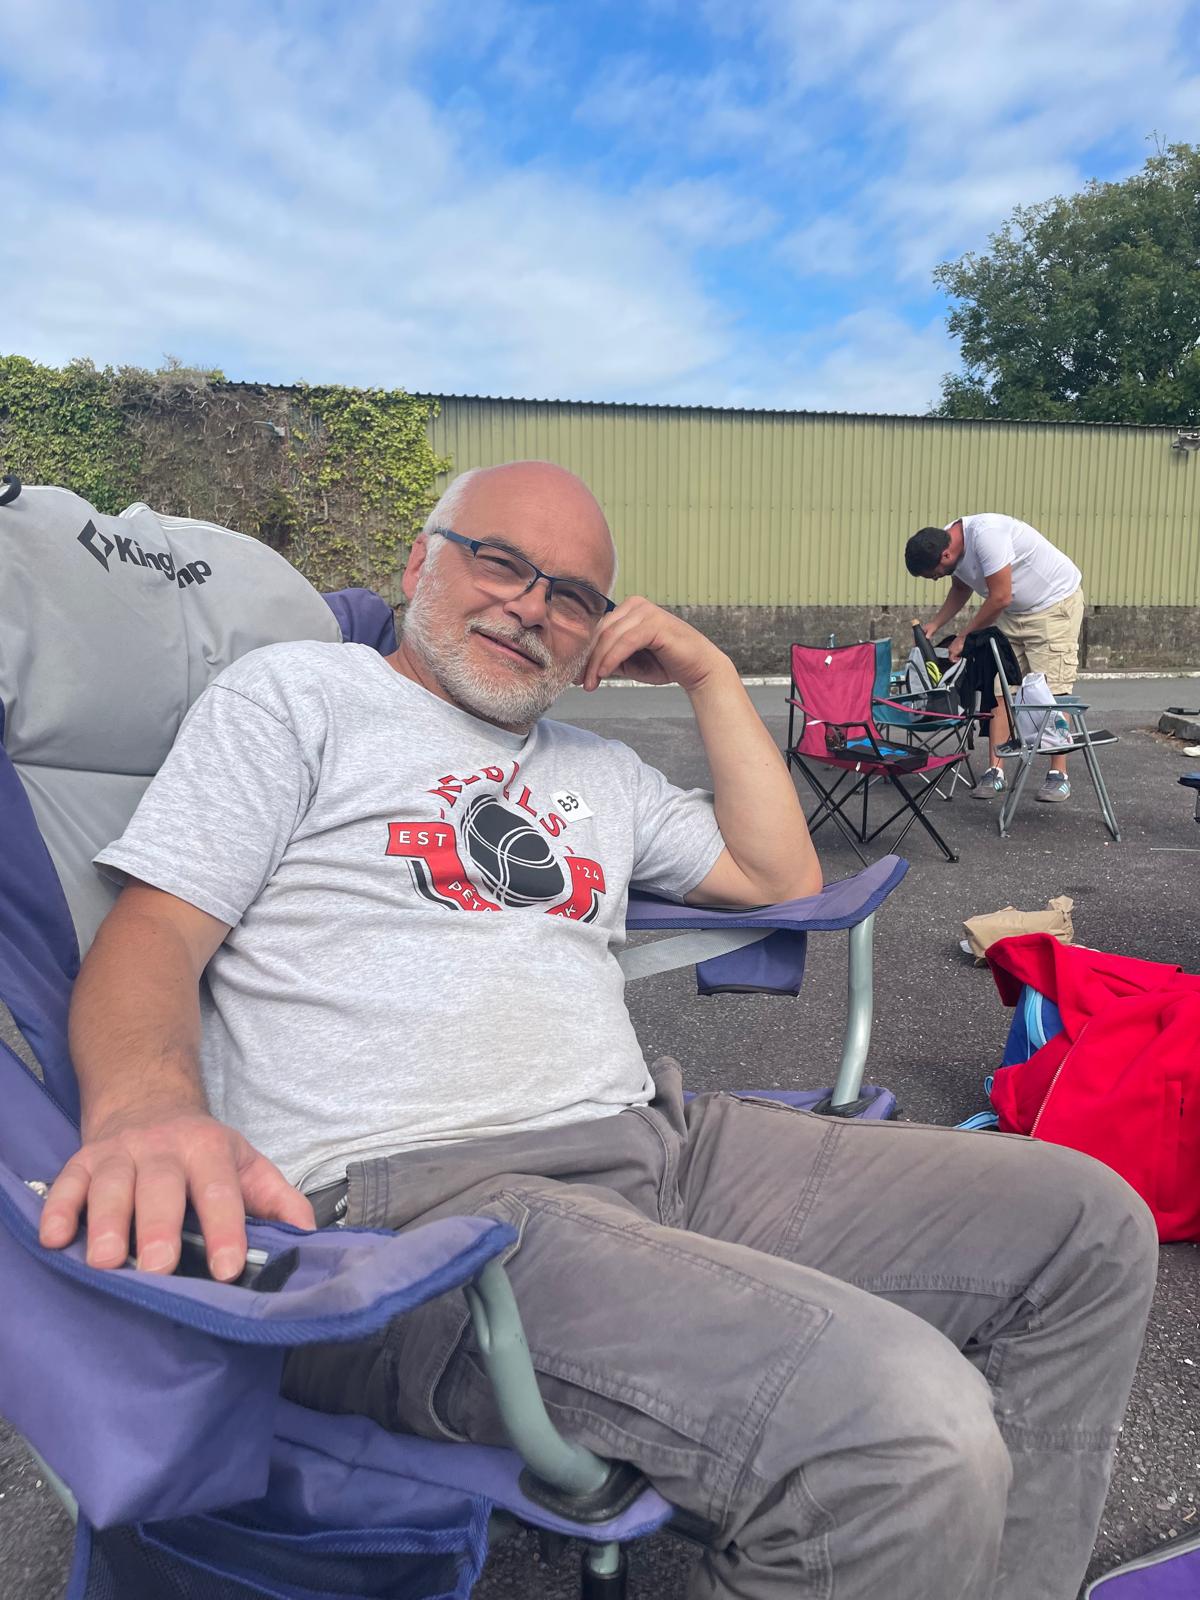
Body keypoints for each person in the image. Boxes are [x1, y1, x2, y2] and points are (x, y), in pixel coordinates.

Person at [40, 462, 1154, 1600]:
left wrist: (710, 672)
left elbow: (782, 876)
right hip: (420, 1211)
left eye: (572, 595)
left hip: (657, 1145)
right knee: (905, 1431)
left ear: (599, 634)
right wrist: (147, 1111)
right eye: (501, 562)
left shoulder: (600, 771)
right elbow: (155, 931)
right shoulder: (299, 697)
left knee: (1088, 1224)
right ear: (420, 563)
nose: (532, 605)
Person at [905, 513, 1084, 802]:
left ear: (946, 554)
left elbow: (1000, 596)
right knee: (999, 690)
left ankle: (1058, 775)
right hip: (1012, 613)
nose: (936, 578)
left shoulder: (987, 536)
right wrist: (936, 624)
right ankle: (995, 771)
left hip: (1053, 605)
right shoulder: (948, 539)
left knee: (1050, 691)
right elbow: (961, 587)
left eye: (934, 573)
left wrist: (964, 637)